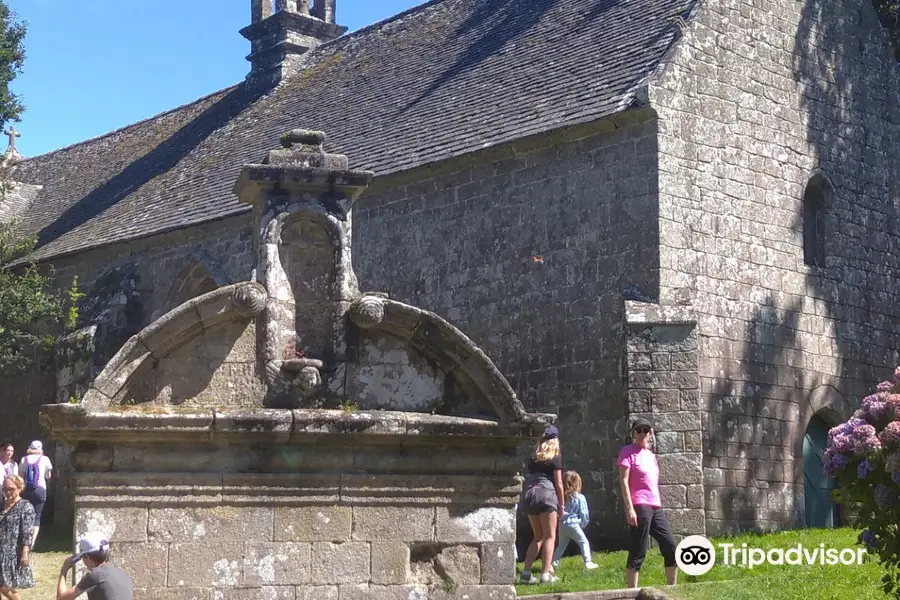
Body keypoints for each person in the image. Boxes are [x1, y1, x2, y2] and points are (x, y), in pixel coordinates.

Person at [617, 417, 677, 588]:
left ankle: (672, 588)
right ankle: (631, 592)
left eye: (646, 430)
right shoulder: (627, 452)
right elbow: (624, 481)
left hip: (655, 505)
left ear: (650, 433)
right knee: (639, 550)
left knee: (671, 545)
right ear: (634, 433)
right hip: (639, 505)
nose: (643, 433)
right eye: (639, 430)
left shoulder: (651, 456)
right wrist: (629, 508)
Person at [518, 424, 564, 584]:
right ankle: (545, 574)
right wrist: (562, 505)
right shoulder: (555, 457)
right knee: (550, 536)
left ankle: (525, 573)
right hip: (546, 494)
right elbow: (558, 483)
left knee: (537, 536)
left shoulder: (533, 458)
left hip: (530, 494)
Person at [57, 533, 134, 600]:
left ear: (87, 556)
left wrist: (64, 569)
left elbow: (61, 598)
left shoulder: (95, 576)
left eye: (83, 557)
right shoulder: (121, 573)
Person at [551, 470, 598, 570]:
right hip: (573, 524)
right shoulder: (580, 497)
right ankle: (588, 562)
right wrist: (583, 523)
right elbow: (584, 513)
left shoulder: (561, 498)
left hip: (562, 524)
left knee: (561, 545)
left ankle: (553, 563)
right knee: (583, 541)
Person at [0, 475, 35, 600]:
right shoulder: (1, 505)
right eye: (4, 489)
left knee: (5, 586)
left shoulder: (25, 507)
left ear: (19, 488)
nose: (7, 492)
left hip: (11, 552)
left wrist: (25, 553)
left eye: (10, 489)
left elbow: (27, 532)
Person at [19, 441, 52, 547]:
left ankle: (23, 539)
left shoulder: (24, 459)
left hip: (26, 490)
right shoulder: (45, 459)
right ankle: (32, 542)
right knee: (37, 516)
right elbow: (48, 476)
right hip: (40, 489)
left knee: (25, 514)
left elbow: (20, 476)